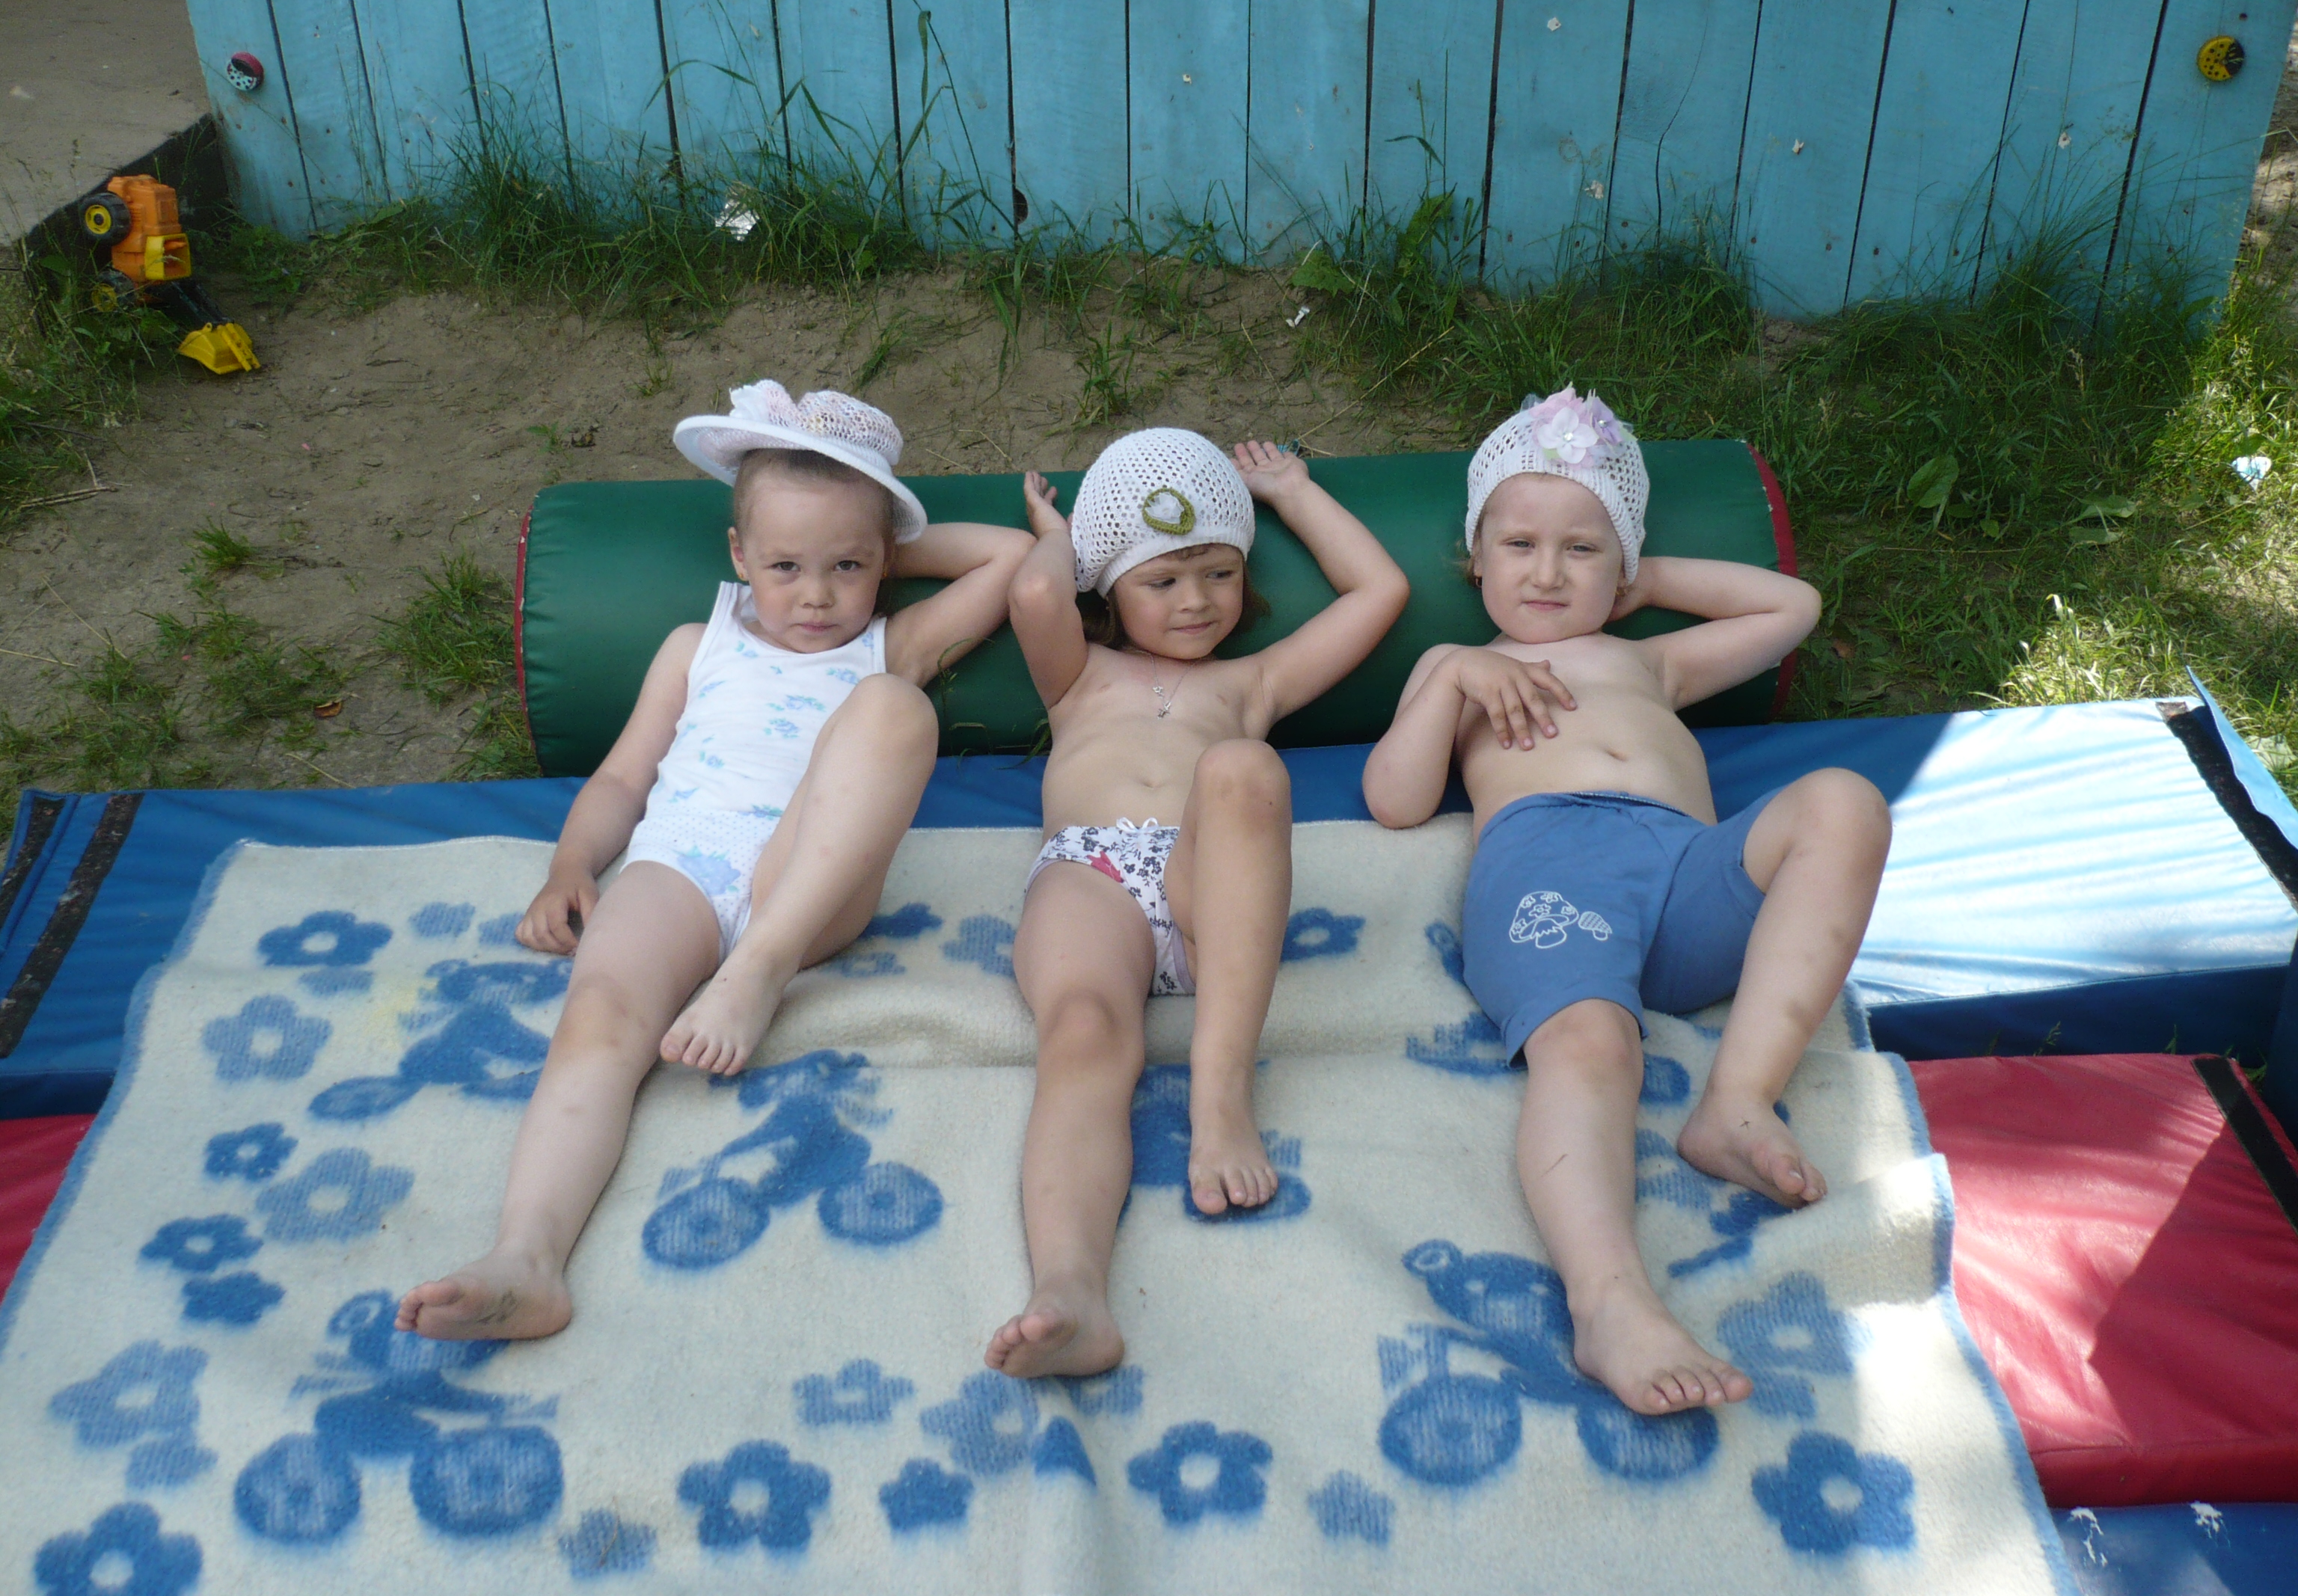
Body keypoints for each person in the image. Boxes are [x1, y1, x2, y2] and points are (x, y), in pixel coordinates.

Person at [397, 381, 1032, 1341]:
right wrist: (571, 868)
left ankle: (757, 973)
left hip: (804, 887)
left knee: (896, 710)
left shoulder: (887, 648)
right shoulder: (696, 645)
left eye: (846, 568)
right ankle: (526, 1260)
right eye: (784, 565)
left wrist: (877, 538)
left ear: (883, 564)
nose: (816, 595)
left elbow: (1011, 557)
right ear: (739, 554)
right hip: (680, 867)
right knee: (600, 1013)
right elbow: (622, 778)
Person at [1361, 387, 1891, 1417]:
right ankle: (1610, 1302)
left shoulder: (1649, 660)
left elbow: (1792, 608)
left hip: (1691, 876)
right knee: (1592, 1045)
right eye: (1519, 545)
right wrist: (1453, 681)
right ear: (1477, 559)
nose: (1547, 573)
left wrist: (1642, 578)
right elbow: (1394, 800)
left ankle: (1736, 1103)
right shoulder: (1461, 668)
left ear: (1624, 566)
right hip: (1553, 869)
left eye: (1583, 550)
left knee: (1845, 801)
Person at [987, 430, 1409, 1378]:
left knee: (1242, 767)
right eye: (1162, 580)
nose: (1196, 601)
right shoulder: (1077, 676)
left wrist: (1291, 492)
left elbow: (1379, 592)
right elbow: (1036, 597)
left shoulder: (1250, 683)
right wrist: (1059, 537)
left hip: (1208, 885)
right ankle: (1071, 1290)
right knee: (1083, 1033)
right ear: (1108, 585)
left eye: (1219, 574)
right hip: (1091, 877)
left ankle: (1221, 1100)